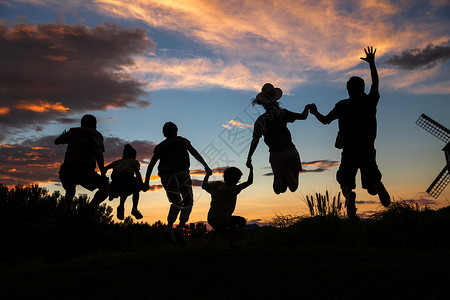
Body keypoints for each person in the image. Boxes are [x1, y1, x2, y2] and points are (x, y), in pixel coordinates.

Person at [309, 46, 390, 218]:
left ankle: (349, 196)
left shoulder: (342, 105)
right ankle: (378, 185)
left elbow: (324, 120)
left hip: (349, 151)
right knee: (372, 185)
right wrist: (372, 63)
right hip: (368, 149)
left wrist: (314, 111)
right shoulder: (370, 101)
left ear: (348, 89)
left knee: (345, 182)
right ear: (362, 88)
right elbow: (376, 83)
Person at [143, 122, 212, 243]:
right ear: (176, 130)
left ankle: (169, 228)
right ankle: (180, 226)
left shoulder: (160, 146)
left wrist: (147, 181)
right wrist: (205, 165)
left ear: (164, 133)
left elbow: (151, 164)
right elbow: (194, 152)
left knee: (176, 202)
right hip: (181, 174)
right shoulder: (181, 141)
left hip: (166, 177)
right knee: (188, 201)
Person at [246, 83, 312, 194]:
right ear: (275, 99)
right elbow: (303, 116)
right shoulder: (283, 113)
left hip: (276, 154)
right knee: (293, 187)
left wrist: (249, 157)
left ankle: (282, 174)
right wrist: (307, 108)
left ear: (262, 104)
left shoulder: (261, 120)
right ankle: (287, 173)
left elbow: (255, 140)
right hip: (290, 150)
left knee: (278, 190)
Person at [54, 114, 109, 217]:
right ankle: (89, 208)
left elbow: (57, 141)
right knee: (106, 187)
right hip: (83, 170)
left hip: (67, 170)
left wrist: (63, 136)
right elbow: (98, 154)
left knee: (70, 191)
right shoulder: (95, 134)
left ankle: (67, 213)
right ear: (95, 124)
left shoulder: (72, 132)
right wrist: (103, 172)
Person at [202, 164, 253, 249]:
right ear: (236, 180)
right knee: (241, 221)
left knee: (218, 228)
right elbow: (249, 181)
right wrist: (251, 168)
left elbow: (204, 185)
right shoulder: (234, 189)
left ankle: (207, 245)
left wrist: (207, 174)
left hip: (211, 217)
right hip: (224, 218)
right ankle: (232, 243)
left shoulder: (217, 185)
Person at [105, 144, 143, 220]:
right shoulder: (133, 162)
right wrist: (141, 183)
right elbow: (137, 172)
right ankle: (134, 208)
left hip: (116, 184)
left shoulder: (116, 162)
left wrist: (104, 178)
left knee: (124, 192)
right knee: (136, 188)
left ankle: (121, 205)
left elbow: (105, 168)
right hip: (127, 180)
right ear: (133, 155)